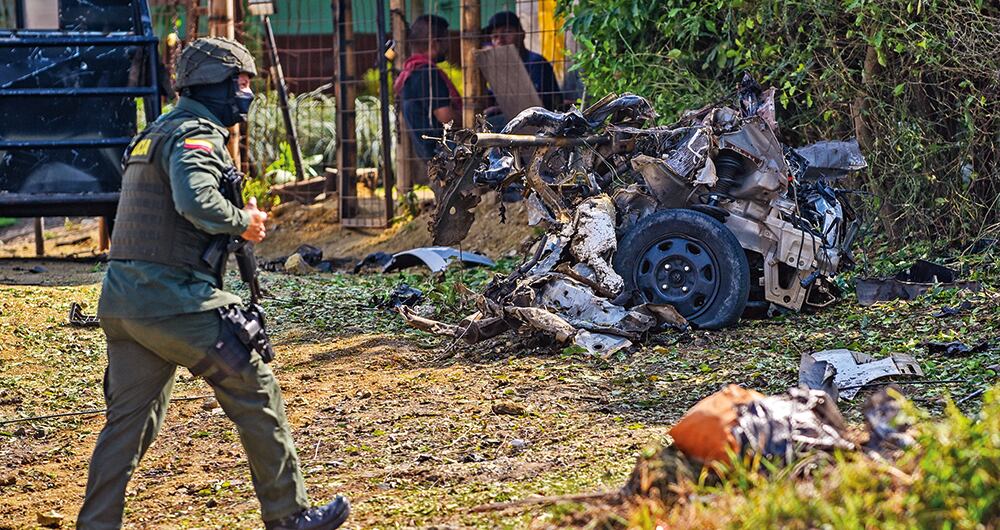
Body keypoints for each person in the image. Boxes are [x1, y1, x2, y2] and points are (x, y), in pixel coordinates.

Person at [77, 37, 350, 530]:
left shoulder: (156, 131)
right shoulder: (195, 134)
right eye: (242, 83)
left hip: (124, 302)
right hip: (172, 300)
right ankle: (289, 516)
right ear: (215, 85)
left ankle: (96, 524)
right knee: (254, 384)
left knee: (128, 424)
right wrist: (242, 221)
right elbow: (196, 200)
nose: (247, 93)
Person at [394, 14, 461, 162]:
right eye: (445, 41)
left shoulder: (410, 72)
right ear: (434, 44)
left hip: (429, 153)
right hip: (446, 151)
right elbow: (447, 118)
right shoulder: (428, 74)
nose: (447, 47)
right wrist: (471, 114)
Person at [484, 11, 563, 112]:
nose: (500, 40)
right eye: (495, 37)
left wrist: (498, 109)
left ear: (522, 34)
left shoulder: (536, 63)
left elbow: (539, 105)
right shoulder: (498, 68)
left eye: (506, 32)